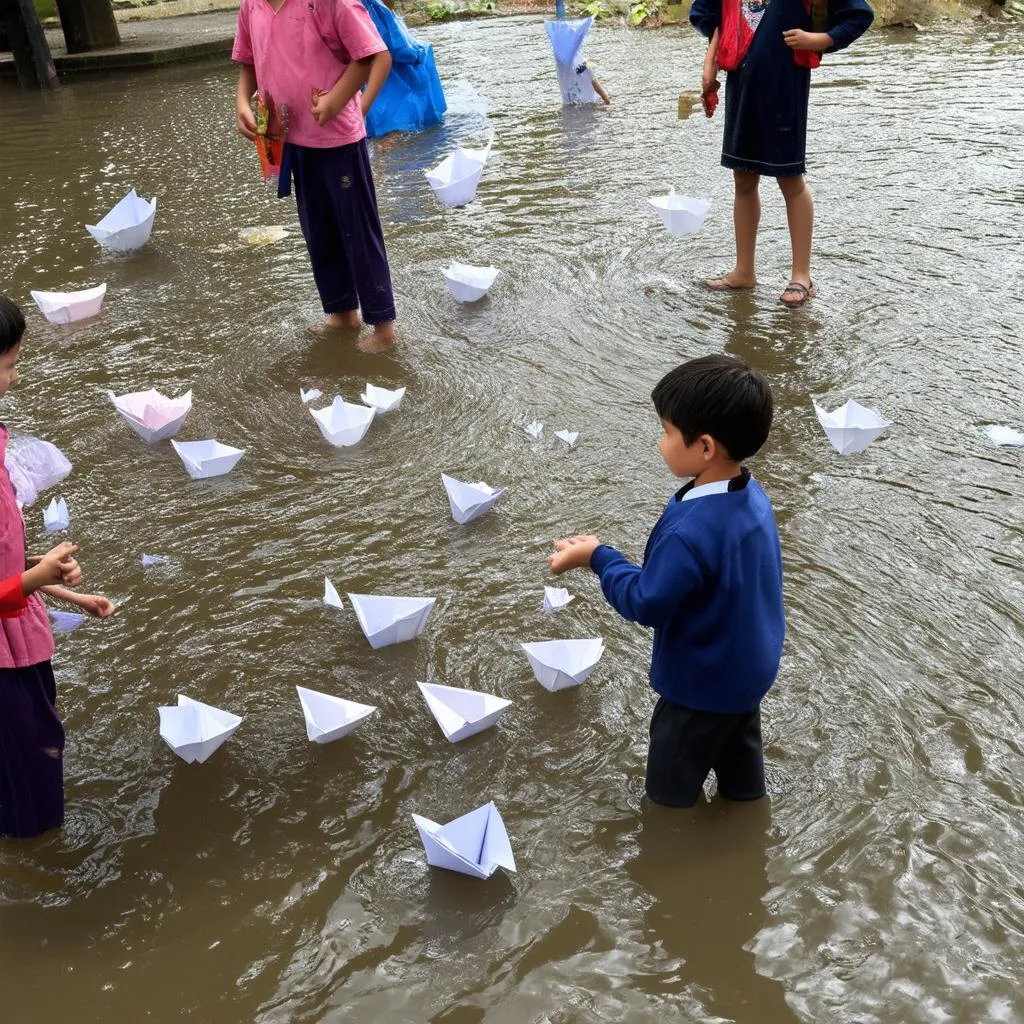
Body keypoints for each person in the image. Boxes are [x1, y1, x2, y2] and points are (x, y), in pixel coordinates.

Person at [547, 354, 785, 808]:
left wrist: (598, 557)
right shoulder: (753, 498)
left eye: (667, 432)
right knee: (743, 784)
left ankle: (669, 850)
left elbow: (647, 602)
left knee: (666, 799)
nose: (660, 443)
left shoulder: (690, 532)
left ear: (706, 447)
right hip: (747, 676)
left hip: (699, 689)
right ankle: (747, 836)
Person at [0, 296, 116, 839]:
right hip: (4, 660)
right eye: (9, 365)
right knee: (24, 761)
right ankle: (35, 858)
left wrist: (65, 593)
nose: (15, 378)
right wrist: (35, 578)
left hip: (20, 636)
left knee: (39, 741)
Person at [233, 0, 398, 347]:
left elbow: (370, 56)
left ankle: (383, 327)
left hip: (339, 141)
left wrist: (339, 100)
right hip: (294, 141)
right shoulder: (252, 6)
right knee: (319, 232)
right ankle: (341, 314)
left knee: (358, 233)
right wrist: (241, 104)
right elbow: (249, 63)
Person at [690, 0, 873, 306]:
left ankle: (802, 275)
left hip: (785, 82)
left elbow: (858, 15)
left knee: (790, 177)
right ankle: (744, 270)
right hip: (741, 83)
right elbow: (712, 15)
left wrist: (819, 40)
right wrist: (709, 63)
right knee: (743, 178)